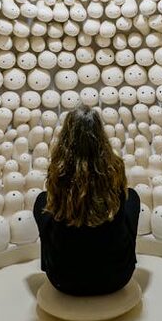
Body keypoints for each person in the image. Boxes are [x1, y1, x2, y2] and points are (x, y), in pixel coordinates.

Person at [33, 105, 141, 297]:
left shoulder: (59, 170)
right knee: (131, 197)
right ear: (100, 134)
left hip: (63, 279)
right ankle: (125, 255)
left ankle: (49, 259)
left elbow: (52, 204)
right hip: (116, 277)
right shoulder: (114, 167)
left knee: (42, 201)